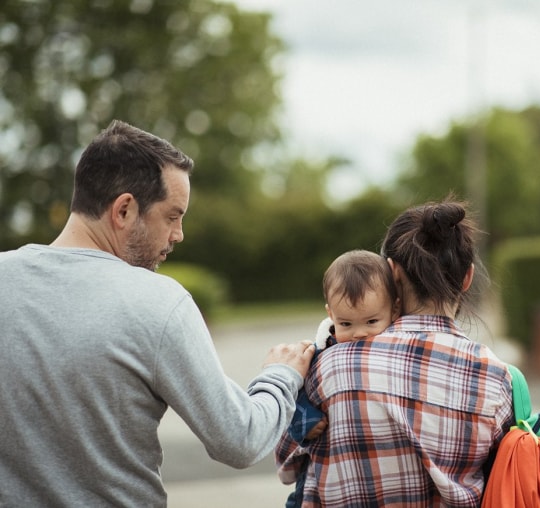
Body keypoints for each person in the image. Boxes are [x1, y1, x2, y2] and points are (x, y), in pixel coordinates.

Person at [0, 120, 315, 507]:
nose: (179, 234)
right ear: (125, 210)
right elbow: (241, 439)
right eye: (172, 215)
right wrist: (281, 376)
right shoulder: (158, 302)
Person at [276, 198, 514, 507]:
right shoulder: (495, 376)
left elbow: (287, 464)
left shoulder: (329, 366)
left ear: (392, 272)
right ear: (467, 278)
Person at [279, 249, 400, 508]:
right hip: (323, 468)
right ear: (330, 314)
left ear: (394, 308)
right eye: (346, 324)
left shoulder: (398, 347)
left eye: (371, 321)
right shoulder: (319, 352)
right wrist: (305, 422)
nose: (358, 333)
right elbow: (294, 396)